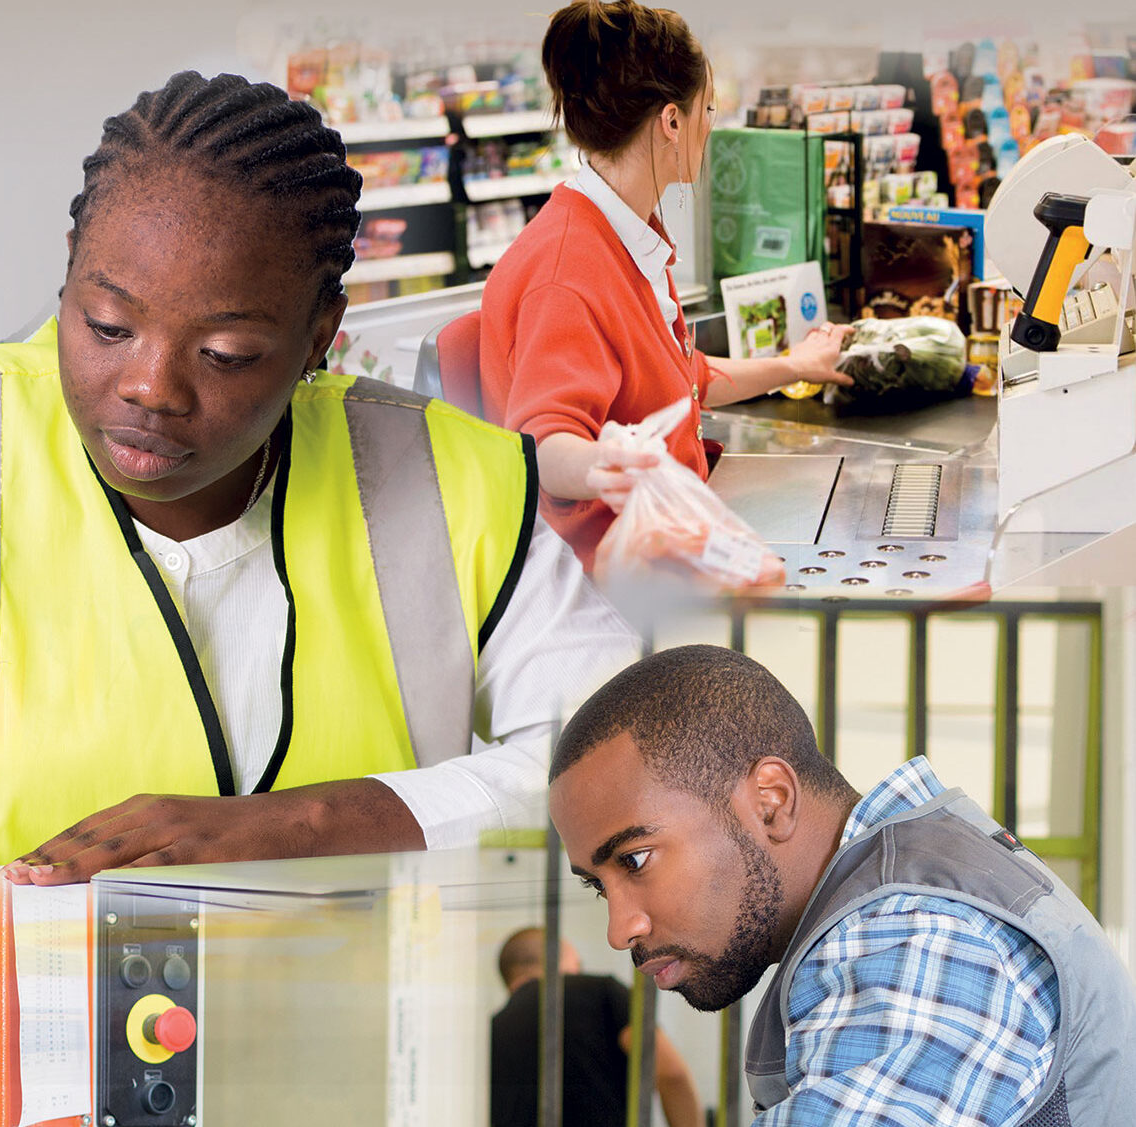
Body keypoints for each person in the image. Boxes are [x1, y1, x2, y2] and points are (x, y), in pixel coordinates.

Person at [0, 71, 639, 923]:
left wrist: (307, 824)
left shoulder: (440, 477)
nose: (152, 387)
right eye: (106, 322)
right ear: (69, 272)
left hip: (345, 1030)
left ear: (318, 336)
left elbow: (635, 751)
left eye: (227, 354)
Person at [548, 644, 1136, 1124]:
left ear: (770, 802)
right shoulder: (908, 899)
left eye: (634, 860)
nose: (620, 930)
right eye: (599, 886)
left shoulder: (919, 937)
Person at [478, 0, 853, 571]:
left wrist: (795, 365)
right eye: (709, 109)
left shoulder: (624, 236)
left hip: (668, 542)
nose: (711, 126)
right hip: (610, 583)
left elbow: (682, 383)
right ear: (672, 122)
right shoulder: (565, 274)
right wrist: (612, 463)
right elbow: (545, 443)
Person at [490, 926, 701, 1127]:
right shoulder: (602, 993)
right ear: (555, 958)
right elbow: (671, 1075)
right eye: (577, 965)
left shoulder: (493, 1028)